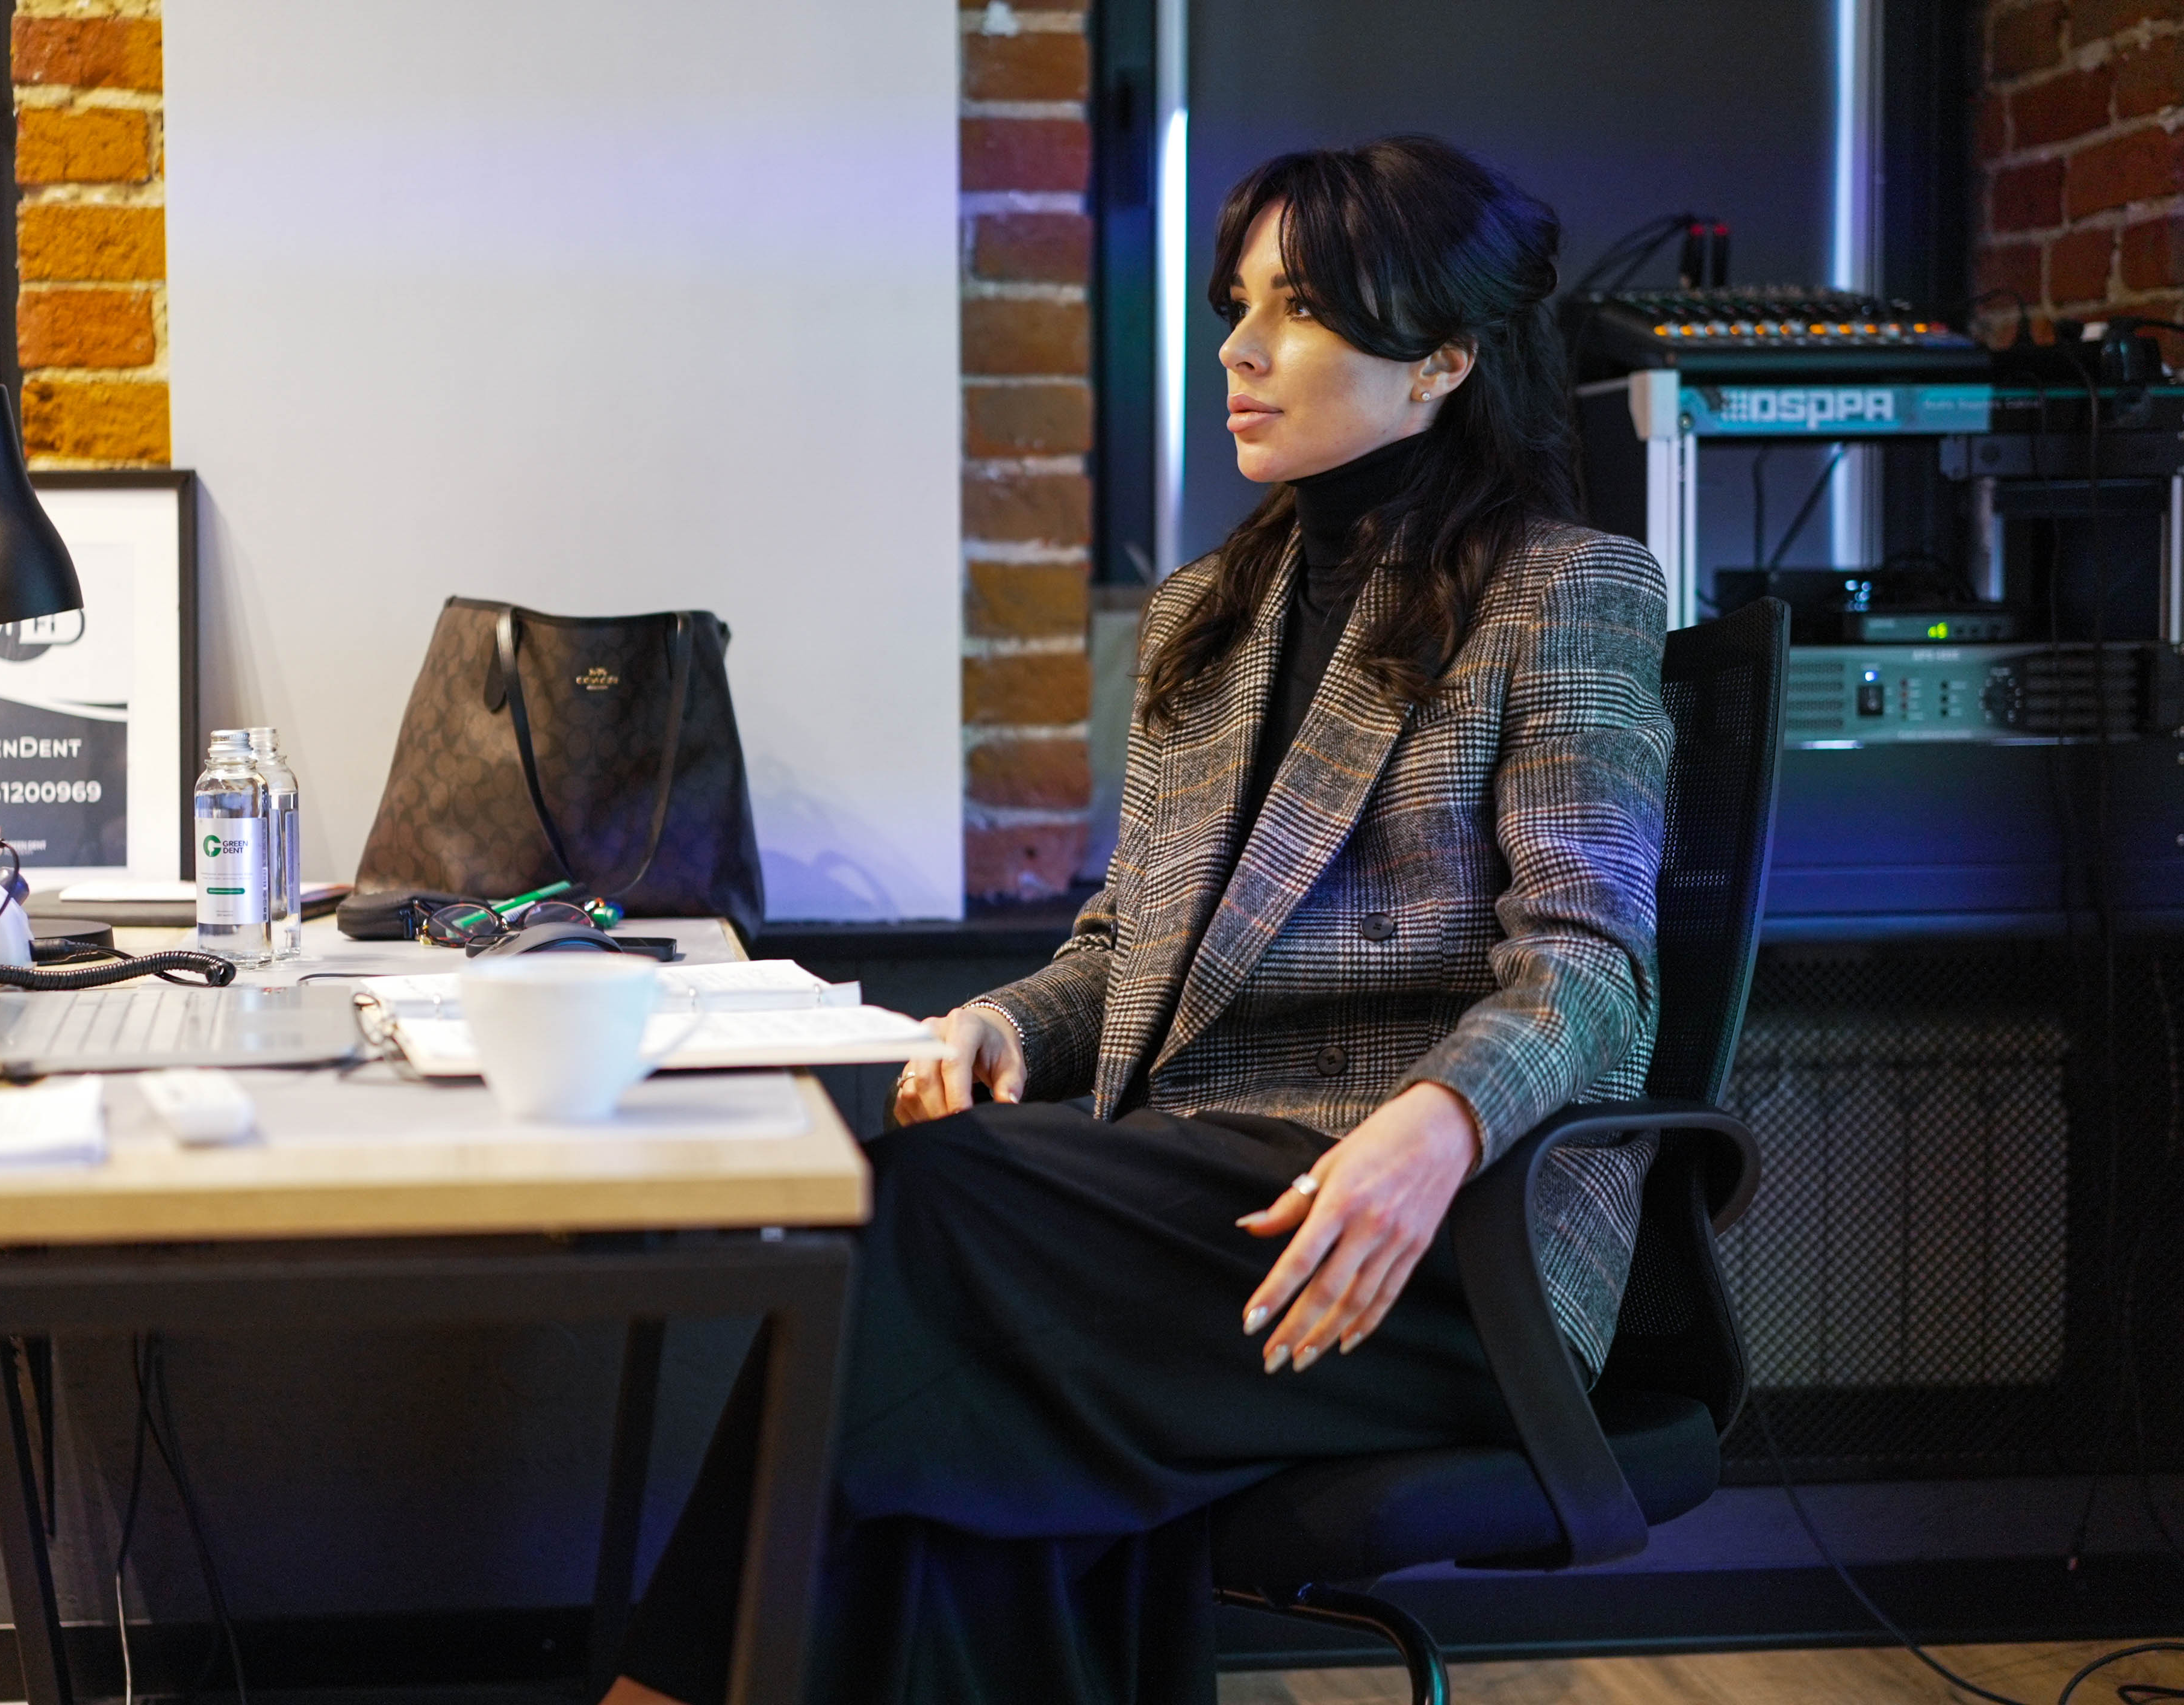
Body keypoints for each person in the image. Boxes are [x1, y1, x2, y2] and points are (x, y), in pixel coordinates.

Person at [606, 135, 1672, 1705]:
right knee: (958, 1410)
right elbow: (1125, 949)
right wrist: (996, 1025)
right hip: (1196, 1199)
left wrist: (1439, 1123)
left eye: (1300, 310)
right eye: (1240, 304)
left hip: (1435, 1240)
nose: (1239, 349)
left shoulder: (1566, 592)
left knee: (932, 1219)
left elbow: (1592, 962)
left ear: (1444, 360)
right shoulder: (1208, 613)